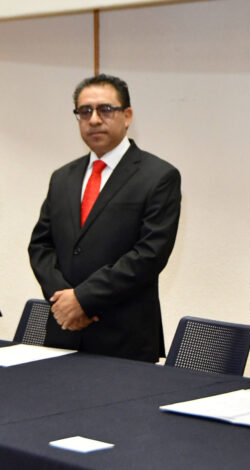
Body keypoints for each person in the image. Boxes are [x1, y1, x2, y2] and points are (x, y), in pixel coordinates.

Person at [28, 74, 181, 363]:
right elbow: (41, 246)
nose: (94, 119)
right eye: (85, 111)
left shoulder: (158, 176)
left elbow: (149, 255)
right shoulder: (62, 177)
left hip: (124, 339)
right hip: (63, 333)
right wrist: (64, 300)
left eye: (105, 110)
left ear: (127, 115)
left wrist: (83, 299)